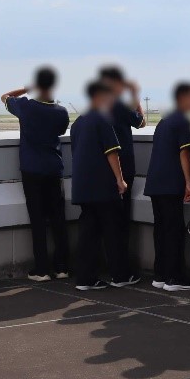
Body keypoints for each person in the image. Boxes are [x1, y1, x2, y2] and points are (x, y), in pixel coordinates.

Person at [1, 67, 71, 282]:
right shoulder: (61, 112)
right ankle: (62, 267)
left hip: (32, 169)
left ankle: (41, 269)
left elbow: (5, 97)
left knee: (38, 220)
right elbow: (61, 131)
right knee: (58, 219)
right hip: (54, 168)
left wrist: (26, 89)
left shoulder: (26, 106)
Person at [70, 81, 139, 291]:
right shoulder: (102, 119)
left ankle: (85, 278)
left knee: (88, 234)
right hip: (103, 186)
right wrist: (120, 179)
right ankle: (120, 275)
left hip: (83, 186)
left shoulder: (78, 123)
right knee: (114, 231)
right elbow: (111, 152)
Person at [143, 82, 190, 292]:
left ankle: (161, 274)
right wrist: (188, 183)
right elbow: (185, 153)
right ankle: (175, 277)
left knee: (161, 230)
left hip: (155, 183)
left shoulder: (163, 122)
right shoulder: (183, 121)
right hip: (170, 184)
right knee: (174, 231)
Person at [98, 66, 145, 264]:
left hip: (102, 169)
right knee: (121, 218)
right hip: (123, 167)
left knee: (106, 219)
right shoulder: (119, 106)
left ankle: (109, 263)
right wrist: (134, 95)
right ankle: (121, 267)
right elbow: (141, 122)